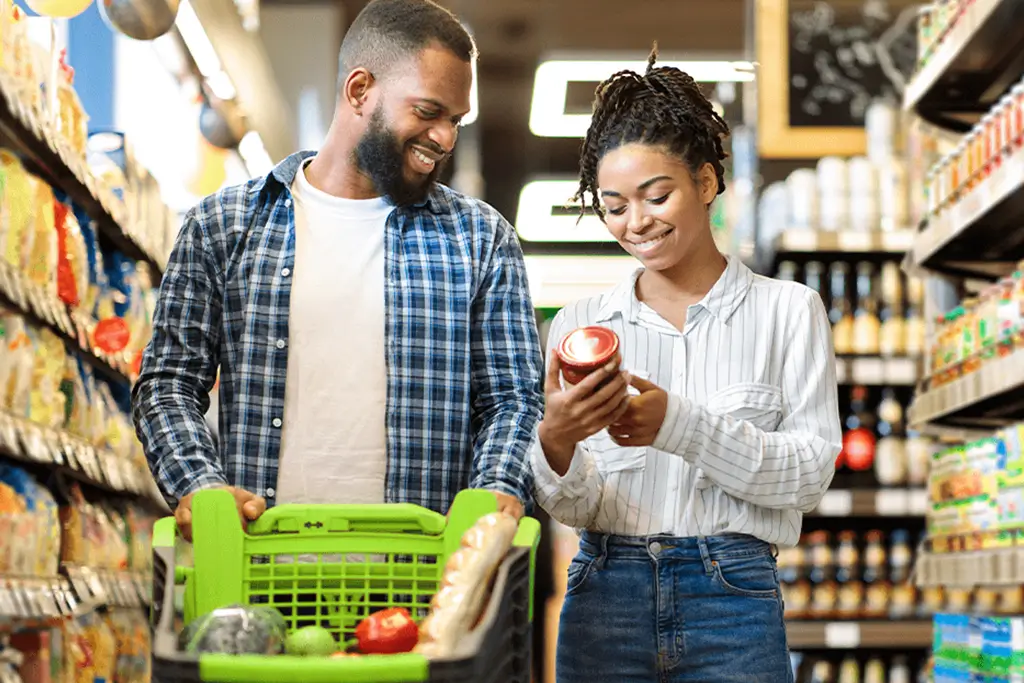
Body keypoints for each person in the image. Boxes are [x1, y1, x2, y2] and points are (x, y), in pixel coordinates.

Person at [131, 0, 544, 541]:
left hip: (426, 580)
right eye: (427, 111)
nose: (444, 138)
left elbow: (513, 400)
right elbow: (167, 384)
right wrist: (199, 485)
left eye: (455, 120)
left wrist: (496, 487)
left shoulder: (480, 239)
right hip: (259, 570)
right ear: (358, 91)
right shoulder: (222, 226)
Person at [532, 47, 842, 683]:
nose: (636, 222)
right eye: (615, 206)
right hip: (604, 592)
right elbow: (577, 503)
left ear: (704, 183)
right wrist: (556, 441)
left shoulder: (789, 311)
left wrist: (678, 424)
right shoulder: (581, 328)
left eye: (656, 195)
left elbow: (809, 474)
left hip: (733, 596)